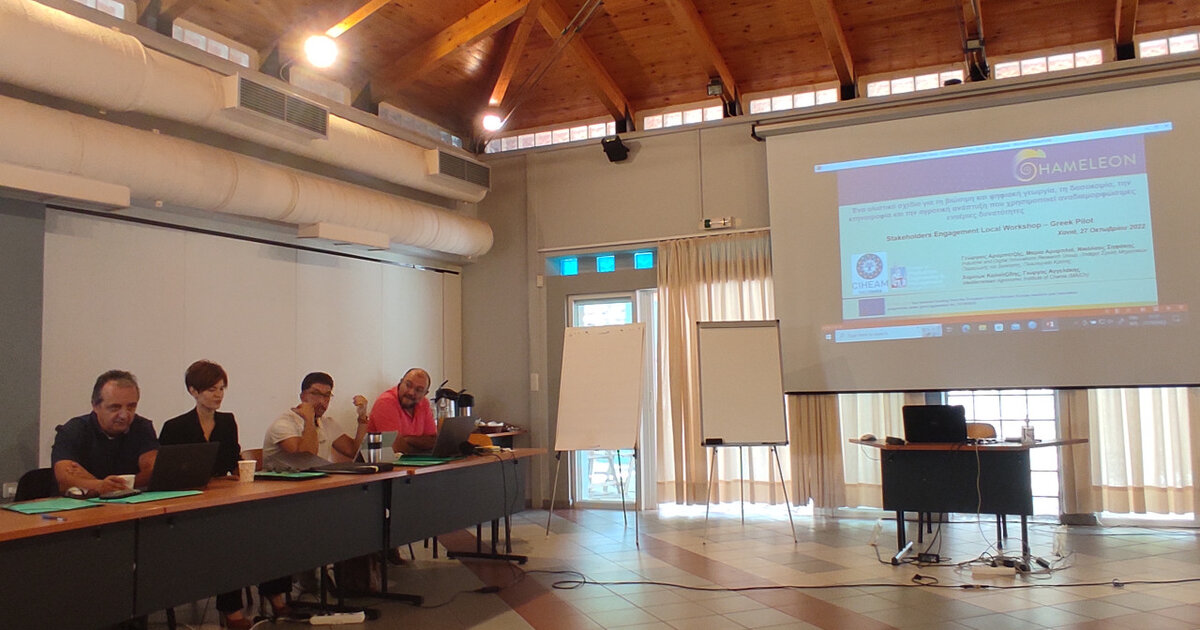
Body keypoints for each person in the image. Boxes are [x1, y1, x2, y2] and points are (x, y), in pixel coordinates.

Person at [158, 360, 266, 629]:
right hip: (187, 502)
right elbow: (166, 470)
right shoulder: (175, 426)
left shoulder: (227, 422)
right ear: (193, 391)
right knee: (227, 536)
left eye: (221, 389)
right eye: (211, 389)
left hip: (221, 497)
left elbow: (232, 460)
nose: (218, 395)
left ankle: (257, 602)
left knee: (254, 528)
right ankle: (232, 612)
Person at [51, 370, 158, 494]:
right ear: (95, 406)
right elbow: (65, 480)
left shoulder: (142, 427)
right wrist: (101, 485)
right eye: (115, 407)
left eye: (131, 407)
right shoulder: (73, 431)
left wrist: (98, 484)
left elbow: (154, 471)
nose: (124, 415)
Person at [263, 372, 369, 469]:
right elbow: (306, 459)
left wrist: (362, 418)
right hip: (284, 482)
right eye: (315, 393)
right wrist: (309, 420)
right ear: (302, 396)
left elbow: (353, 451)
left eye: (327, 395)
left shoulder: (327, 423)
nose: (322, 401)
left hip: (317, 480)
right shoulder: (283, 424)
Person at [366, 368, 436, 454]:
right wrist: (421, 448)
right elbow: (396, 447)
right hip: (384, 460)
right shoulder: (386, 402)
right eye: (408, 385)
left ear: (425, 394)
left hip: (410, 461)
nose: (411, 392)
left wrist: (407, 439)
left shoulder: (424, 403)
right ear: (401, 382)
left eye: (418, 390)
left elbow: (433, 440)